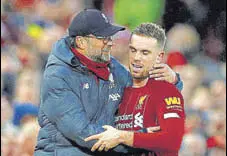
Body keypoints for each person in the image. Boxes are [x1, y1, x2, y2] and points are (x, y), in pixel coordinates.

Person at [34, 9, 183, 156]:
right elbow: (84, 134)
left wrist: (172, 82)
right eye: (102, 38)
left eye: (110, 37)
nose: (110, 43)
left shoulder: (112, 66)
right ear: (81, 42)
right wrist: (136, 138)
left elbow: (143, 92)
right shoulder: (58, 76)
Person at [85, 23, 185, 156]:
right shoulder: (116, 91)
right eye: (133, 50)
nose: (136, 58)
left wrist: (122, 136)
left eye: (145, 52)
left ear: (159, 57)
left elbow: (172, 141)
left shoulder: (167, 91)